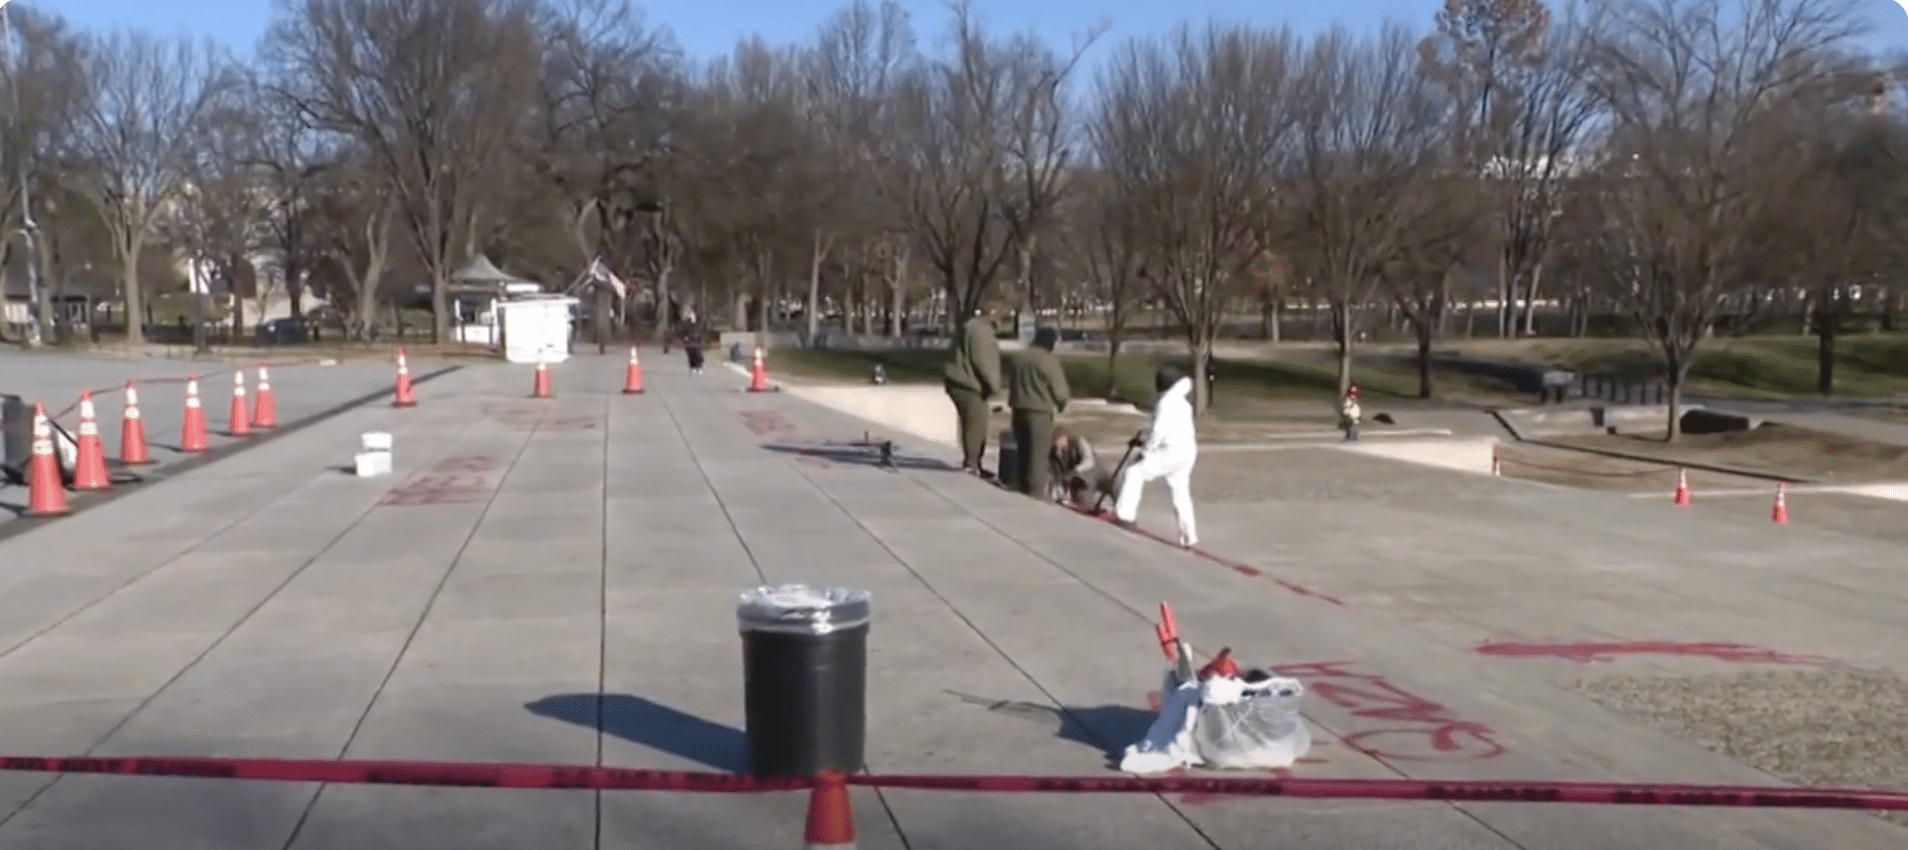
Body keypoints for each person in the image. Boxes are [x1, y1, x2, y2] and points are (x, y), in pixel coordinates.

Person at [1113, 365, 1199, 548]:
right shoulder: (1183, 403)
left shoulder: (1166, 403)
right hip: (1187, 452)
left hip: (1170, 452)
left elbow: (1159, 431)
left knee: (1134, 473)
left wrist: (1145, 451)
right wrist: (1144, 436)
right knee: (1181, 494)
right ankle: (1189, 536)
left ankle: (1125, 516)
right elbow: (1161, 426)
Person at [1005, 327, 1070, 498]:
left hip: (1018, 408)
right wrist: (1061, 405)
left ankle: (1018, 484)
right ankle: (1035, 492)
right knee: (1038, 456)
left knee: (1022, 450)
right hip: (1039, 412)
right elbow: (1060, 391)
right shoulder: (1048, 361)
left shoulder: (1018, 358)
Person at [943, 308, 1003, 476]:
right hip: (968, 383)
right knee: (977, 423)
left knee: (969, 422)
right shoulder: (981, 332)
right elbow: (983, 362)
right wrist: (993, 386)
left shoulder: (969, 327)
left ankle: (971, 461)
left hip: (958, 380)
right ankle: (972, 464)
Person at [1050, 425, 1109, 506]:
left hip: (1089, 473)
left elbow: (1089, 462)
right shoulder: (1057, 452)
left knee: (1087, 488)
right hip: (1074, 479)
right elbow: (1058, 471)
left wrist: (1076, 471)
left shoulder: (1079, 442)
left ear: (1065, 438)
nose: (1057, 444)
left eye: (1059, 440)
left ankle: (1088, 503)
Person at [680, 309, 705, 375]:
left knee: (698, 354)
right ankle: (693, 367)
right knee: (691, 355)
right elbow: (682, 333)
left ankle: (699, 367)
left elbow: (700, 332)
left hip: (696, 340)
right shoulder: (685, 325)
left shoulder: (698, 325)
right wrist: (685, 338)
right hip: (689, 342)